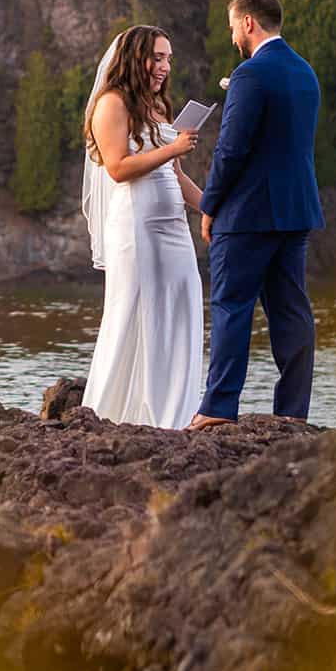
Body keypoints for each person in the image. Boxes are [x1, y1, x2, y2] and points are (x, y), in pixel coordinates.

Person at [187, 0, 324, 431]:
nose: (232, 38)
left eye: (232, 28)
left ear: (248, 22)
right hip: (295, 210)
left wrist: (210, 205)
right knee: (292, 312)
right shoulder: (306, 73)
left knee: (232, 307)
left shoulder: (250, 75)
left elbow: (231, 150)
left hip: (247, 215)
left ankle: (217, 408)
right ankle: (293, 413)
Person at [80, 25, 207, 428]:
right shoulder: (111, 105)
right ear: (135, 58)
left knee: (181, 308)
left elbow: (176, 175)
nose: (163, 67)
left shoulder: (159, 108)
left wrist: (212, 208)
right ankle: (115, 413)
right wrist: (173, 145)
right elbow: (118, 168)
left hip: (173, 227)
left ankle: (175, 411)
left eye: (168, 58)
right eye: (156, 57)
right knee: (137, 312)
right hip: (136, 227)